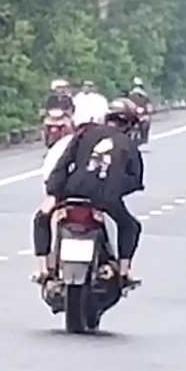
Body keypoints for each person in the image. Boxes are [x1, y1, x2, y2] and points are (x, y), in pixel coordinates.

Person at [32, 98, 146, 287]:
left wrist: (53, 193)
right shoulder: (129, 145)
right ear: (130, 125)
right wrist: (115, 188)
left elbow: (64, 163)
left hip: (73, 191)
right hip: (106, 198)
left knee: (41, 217)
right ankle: (125, 272)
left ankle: (43, 269)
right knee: (130, 226)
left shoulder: (86, 133)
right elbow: (135, 180)